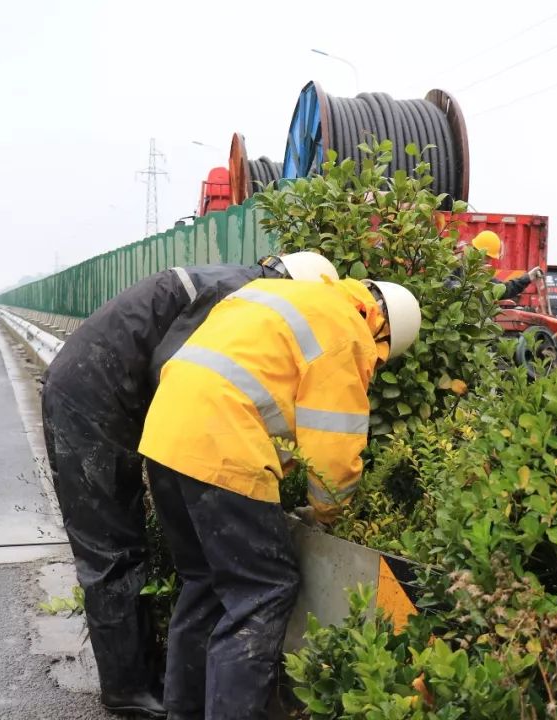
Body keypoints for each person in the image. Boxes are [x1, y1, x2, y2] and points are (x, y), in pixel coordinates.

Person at [40, 252, 339, 718]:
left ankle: (149, 683)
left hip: (103, 393)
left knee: (136, 552)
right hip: (91, 400)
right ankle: (127, 687)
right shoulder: (234, 294)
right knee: (110, 550)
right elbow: (180, 371)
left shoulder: (230, 283)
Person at [138, 276, 422, 720]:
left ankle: (185, 711)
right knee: (262, 589)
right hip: (220, 447)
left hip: (164, 439)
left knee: (205, 582)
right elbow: (333, 452)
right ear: (382, 327)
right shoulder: (347, 332)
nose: (376, 363)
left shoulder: (288, 296)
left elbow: (262, 393)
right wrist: (329, 512)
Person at [470, 229, 544, 300]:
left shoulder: (480, 276)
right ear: (480, 252)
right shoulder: (462, 271)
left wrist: (528, 277)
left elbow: (503, 289)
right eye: (488, 257)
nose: (488, 262)